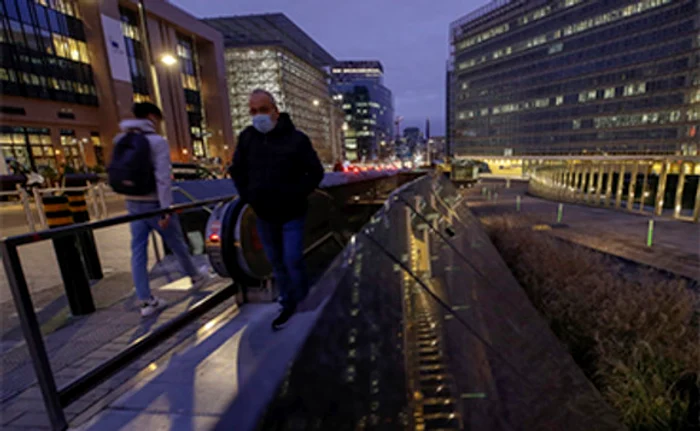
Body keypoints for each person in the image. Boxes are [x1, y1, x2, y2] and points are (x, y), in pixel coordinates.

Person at [229, 89, 324, 329]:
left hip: (292, 211)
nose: (258, 115)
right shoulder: (248, 138)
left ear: (275, 111)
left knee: (292, 257)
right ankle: (287, 299)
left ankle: (303, 300)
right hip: (263, 213)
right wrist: (248, 195)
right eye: (253, 111)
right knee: (275, 261)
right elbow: (237, 170)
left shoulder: (296, 139)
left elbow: (315, 172)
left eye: (263, 110)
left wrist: (296, 193)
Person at [113, 102, 208, 317]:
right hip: (155, 203)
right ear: (151, 117)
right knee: (177, 242)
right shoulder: (157, 142)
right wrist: (166, 210)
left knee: (137, 250)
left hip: (132, 202)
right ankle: (195, 276)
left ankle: (146, 300)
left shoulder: (121, 139)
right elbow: (163, 179)